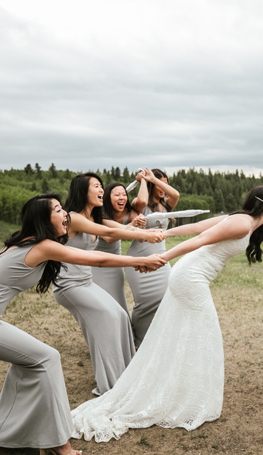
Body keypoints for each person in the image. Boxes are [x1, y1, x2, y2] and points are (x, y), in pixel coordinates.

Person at [0, 194, 165, 455]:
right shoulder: (43, 246)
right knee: (47, 359)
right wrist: (141, 260)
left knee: (28, 363)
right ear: (43, 220)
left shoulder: (24, 242)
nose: (65, 215)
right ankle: (60, 446)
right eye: (58, 210)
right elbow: (98, 260)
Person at [71, 185, 263, 441]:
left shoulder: (241, 220)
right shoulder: (242, 223)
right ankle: (188, 397)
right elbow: (199, 239)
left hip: (191, 276)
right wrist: (162, 258)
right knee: (206, 334)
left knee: (189, 334)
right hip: (191, 277)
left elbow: (196, 226)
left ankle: (183, 390)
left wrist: (161, 233)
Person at [54, 173, 165, 396]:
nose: (101, 190)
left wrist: (144, 231)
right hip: (69, 285)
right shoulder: (74, 217)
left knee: (121, 317)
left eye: (101, 186)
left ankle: (127, 372)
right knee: (107, 323)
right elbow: (110, 232)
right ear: (82, 191)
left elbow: (119, 228)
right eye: (96, 186)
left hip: (85, 282)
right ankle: (111, 384)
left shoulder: (93, 217)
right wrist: (143, 236)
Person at [125, 167, 180, 346]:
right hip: (139, 256)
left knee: (165, 297)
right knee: (144, 302)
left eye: (165, 184)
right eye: (158, 184)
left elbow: (176, 195)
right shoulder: (140, 204)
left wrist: (156, 181)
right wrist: (144, 180)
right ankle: (137, 340)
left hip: (161, 257)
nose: (163, 188)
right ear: (150, 185)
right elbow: (141, 199)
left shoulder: (166, 205)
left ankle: (157, 338)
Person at [91, 182, 146, 316]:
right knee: (102, 302)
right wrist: (132, 226)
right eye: (117, 195)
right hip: (96, 262)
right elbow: (109, 237)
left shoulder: (130, 213)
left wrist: (141, 226)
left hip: (115, 261)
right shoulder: (100, 214)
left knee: (119, 300)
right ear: (108, 198)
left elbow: (140, 238)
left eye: (124, 194)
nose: (122, 197)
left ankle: (124, 331)